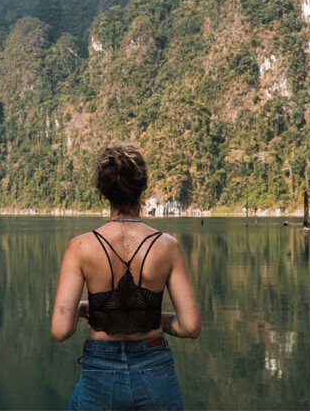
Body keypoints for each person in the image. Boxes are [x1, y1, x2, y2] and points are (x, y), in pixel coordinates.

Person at [51, 144, 201, 410]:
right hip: (155, 369)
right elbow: (190, 327)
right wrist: (150, 316)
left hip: (99, 372)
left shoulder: (81, 247)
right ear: (142, 188)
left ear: (102, 191)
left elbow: (61, 330)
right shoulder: (167, 246)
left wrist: (95, 310)